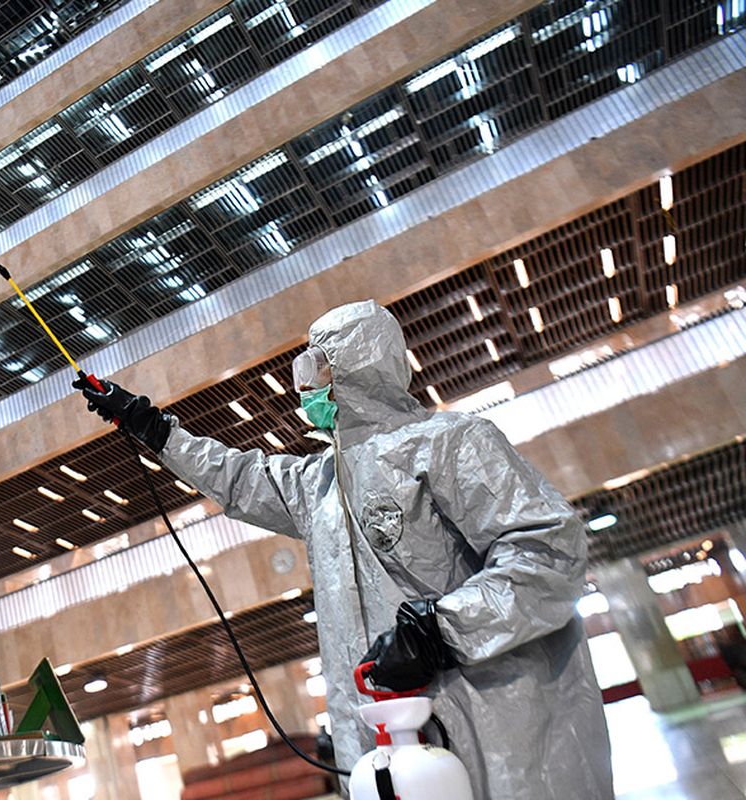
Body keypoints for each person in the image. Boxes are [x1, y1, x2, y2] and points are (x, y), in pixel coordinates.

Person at [74, 301, 613, 799]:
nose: (305, 387)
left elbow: (548, 553)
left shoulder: (450, 443)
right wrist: (154, 429)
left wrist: (441, 630)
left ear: (359, 369)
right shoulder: (322, 485)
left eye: (316, 368)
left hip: (492, 728)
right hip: (391, 747)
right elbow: (240, 479)